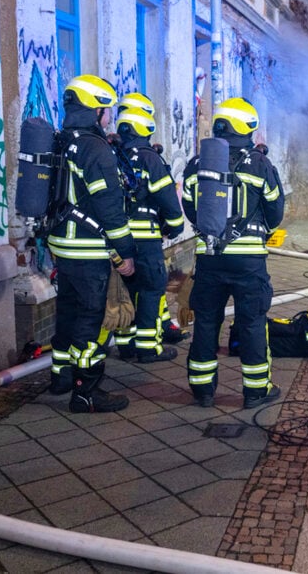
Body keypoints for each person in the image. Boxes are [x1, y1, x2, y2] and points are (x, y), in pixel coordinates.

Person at [181, 97, 285, 409]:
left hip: (209, 258)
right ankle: (255, 391)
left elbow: (189, 206)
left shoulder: (197, 164)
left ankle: (202, 391)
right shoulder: (260, 164)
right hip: (249, 260)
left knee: (206, 321)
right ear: (248, 128)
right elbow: (275, 211)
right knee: (252, 323)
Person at [48, 74, 136, 413]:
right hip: (87, 249)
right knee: (88, 319)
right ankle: (86, 392)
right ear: (93, 110)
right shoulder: (94, 147)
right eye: (106, 109)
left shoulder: (60, 139)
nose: (110, 116)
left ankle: (61, 377)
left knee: (67, 313)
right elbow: (110, 207)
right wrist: (124, 252)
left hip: (61, 244)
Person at [111, 104, 185, 363]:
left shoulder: (112, 155)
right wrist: (175, 227)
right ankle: (148, 347)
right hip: (146, 239)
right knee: (152, 289)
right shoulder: (148, 158)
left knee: (125, 290)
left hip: (118, 238)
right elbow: (167, 198)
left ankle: (126, 345)